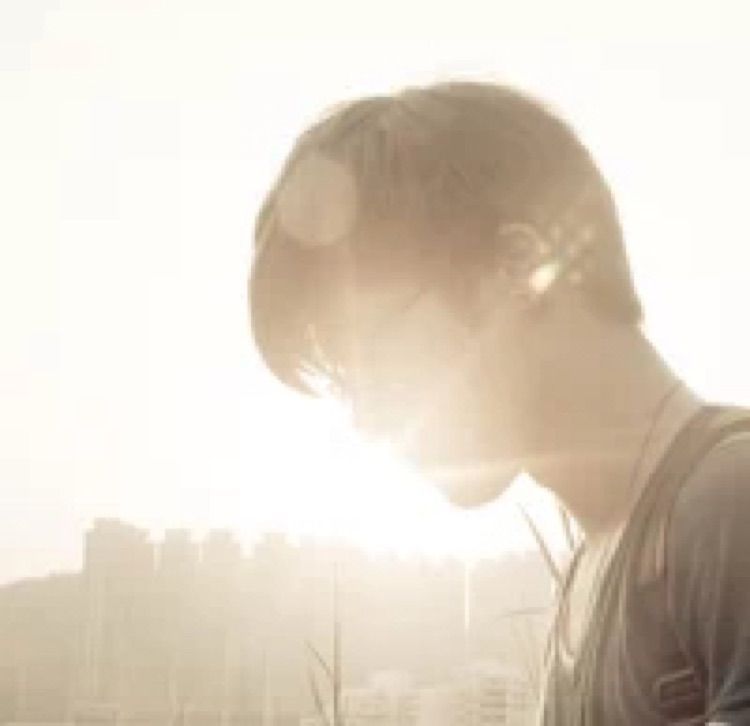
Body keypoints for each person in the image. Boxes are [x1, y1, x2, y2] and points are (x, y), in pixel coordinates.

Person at [247, 81, 750, 724]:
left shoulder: (729, 505)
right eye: (347, 382)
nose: (367, 418)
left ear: (517, 269)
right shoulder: (590, 576)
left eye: (378, 354)